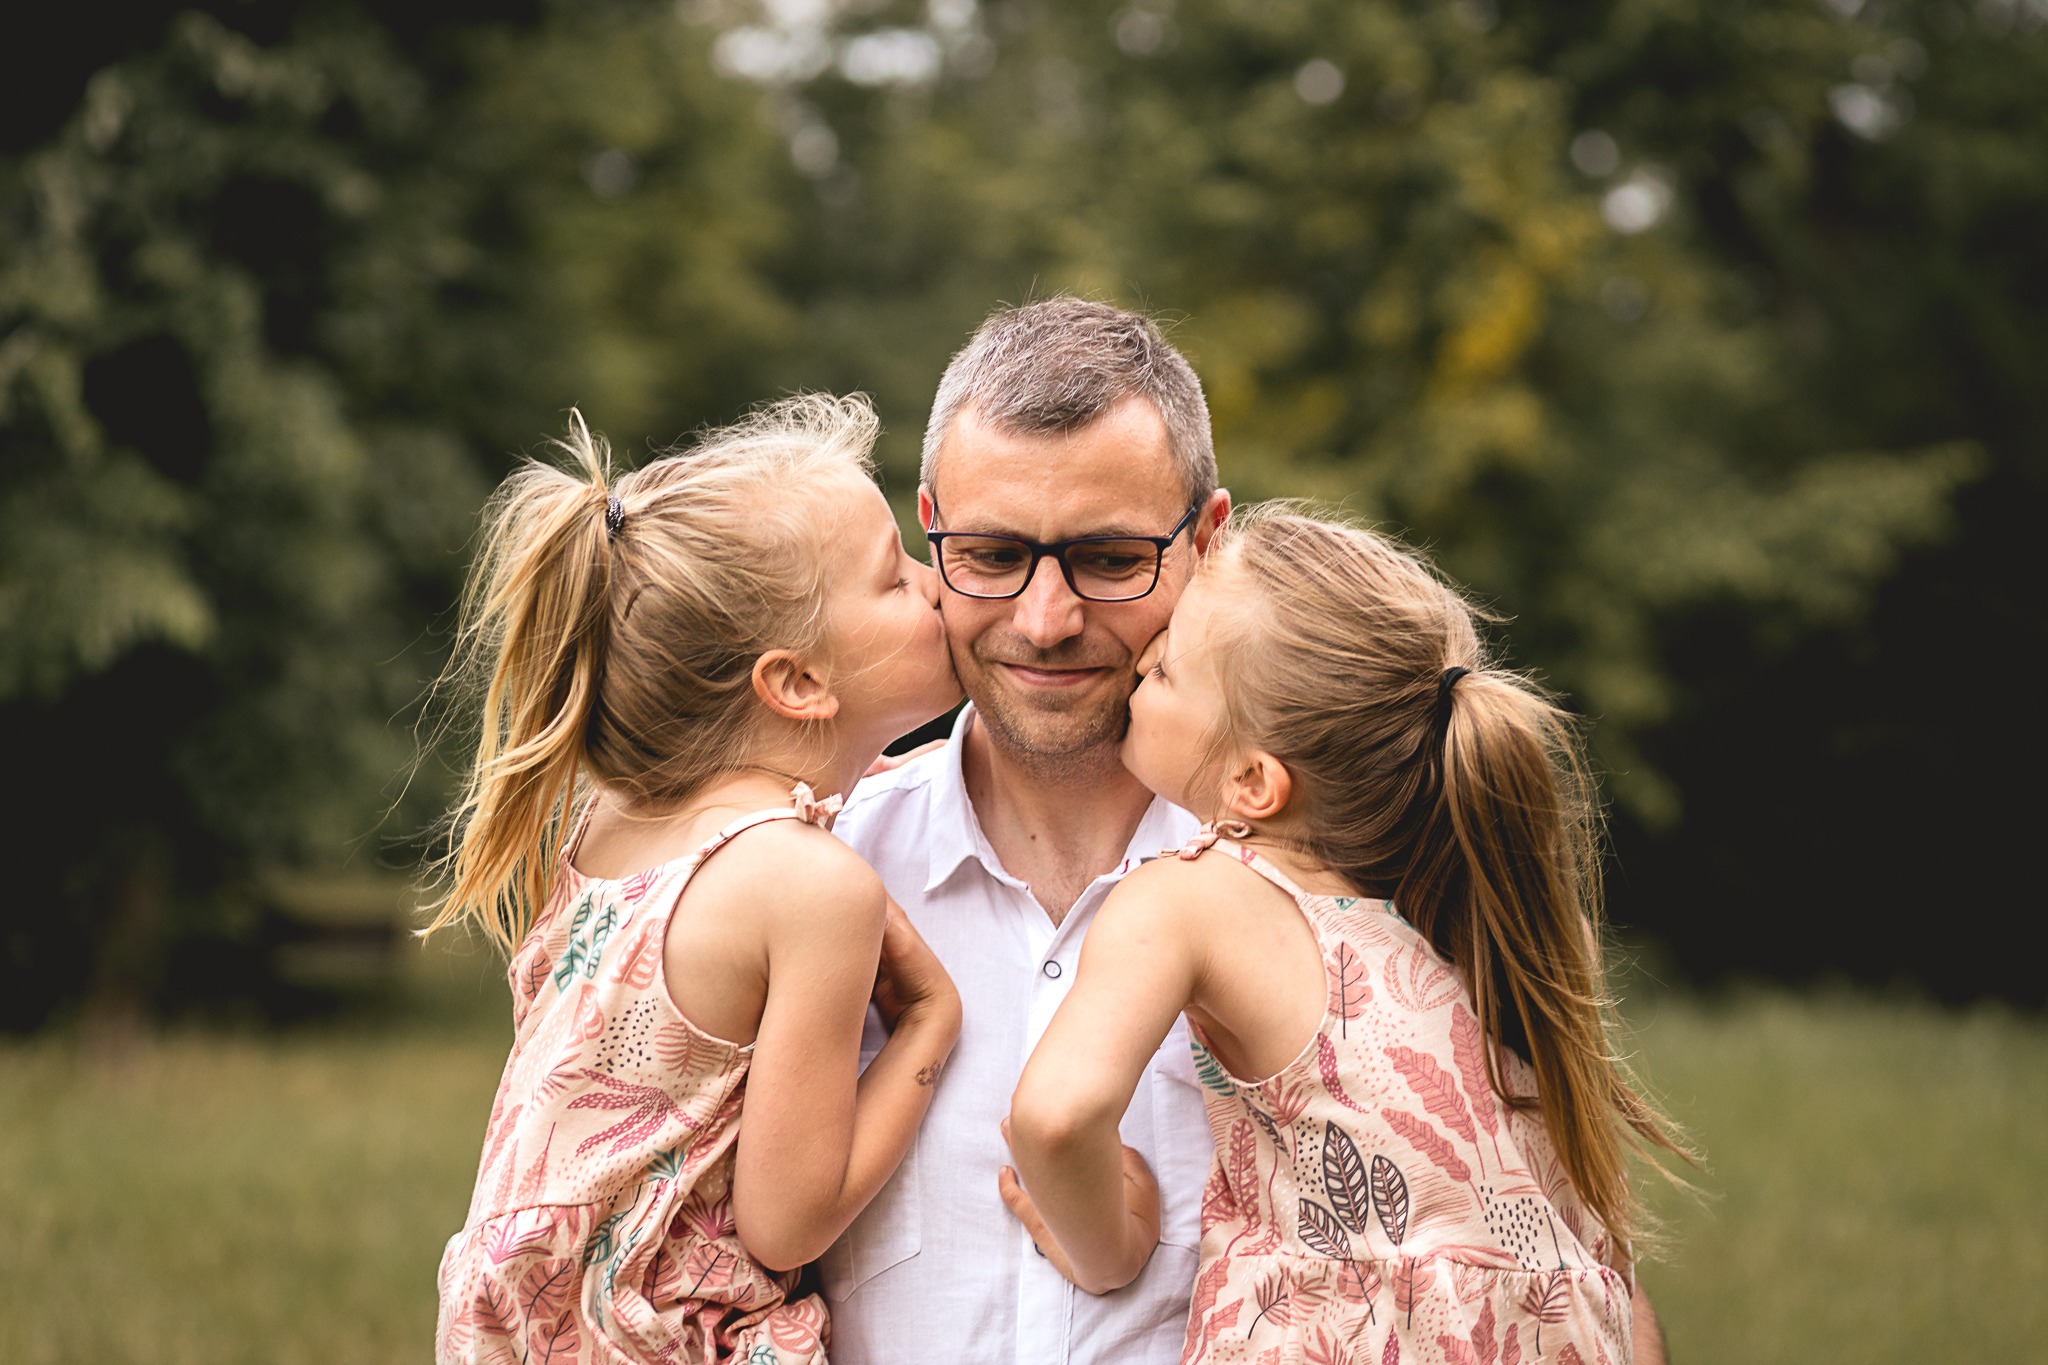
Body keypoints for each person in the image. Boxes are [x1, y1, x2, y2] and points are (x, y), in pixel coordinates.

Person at [1005, 507, 1692, 1363]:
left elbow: (1056, 1116)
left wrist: (1105, 1250)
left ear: (1253, 782)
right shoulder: (1509, 922)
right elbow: (1600, 1257)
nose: (1141, 662)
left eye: (1169, 666)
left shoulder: (1191, 898)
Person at [425, 395, 965, 1365]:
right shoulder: (807, 886)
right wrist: (929, 1023)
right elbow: (785, 1224)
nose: (937, 588)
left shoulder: (608, 827)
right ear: (796, 683)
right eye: (895, 578)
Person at [820, 298, 1232, 1363]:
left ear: (1208, 541)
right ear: (928, 531)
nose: (1045, 621)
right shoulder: (816, 871)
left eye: (1109, 558)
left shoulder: (1324, 893)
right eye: (994, 555)